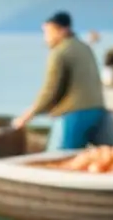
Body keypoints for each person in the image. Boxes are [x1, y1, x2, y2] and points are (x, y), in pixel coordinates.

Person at [13, 12, 105, 151]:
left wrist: (27, 116)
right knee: (78, 158)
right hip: (96, 111)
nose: (46, 37)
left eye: (49, 32)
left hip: (75, 114)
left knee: (59, 158)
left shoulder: (59, 52)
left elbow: (50, 90)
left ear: (63, 31)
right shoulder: (84, 47)